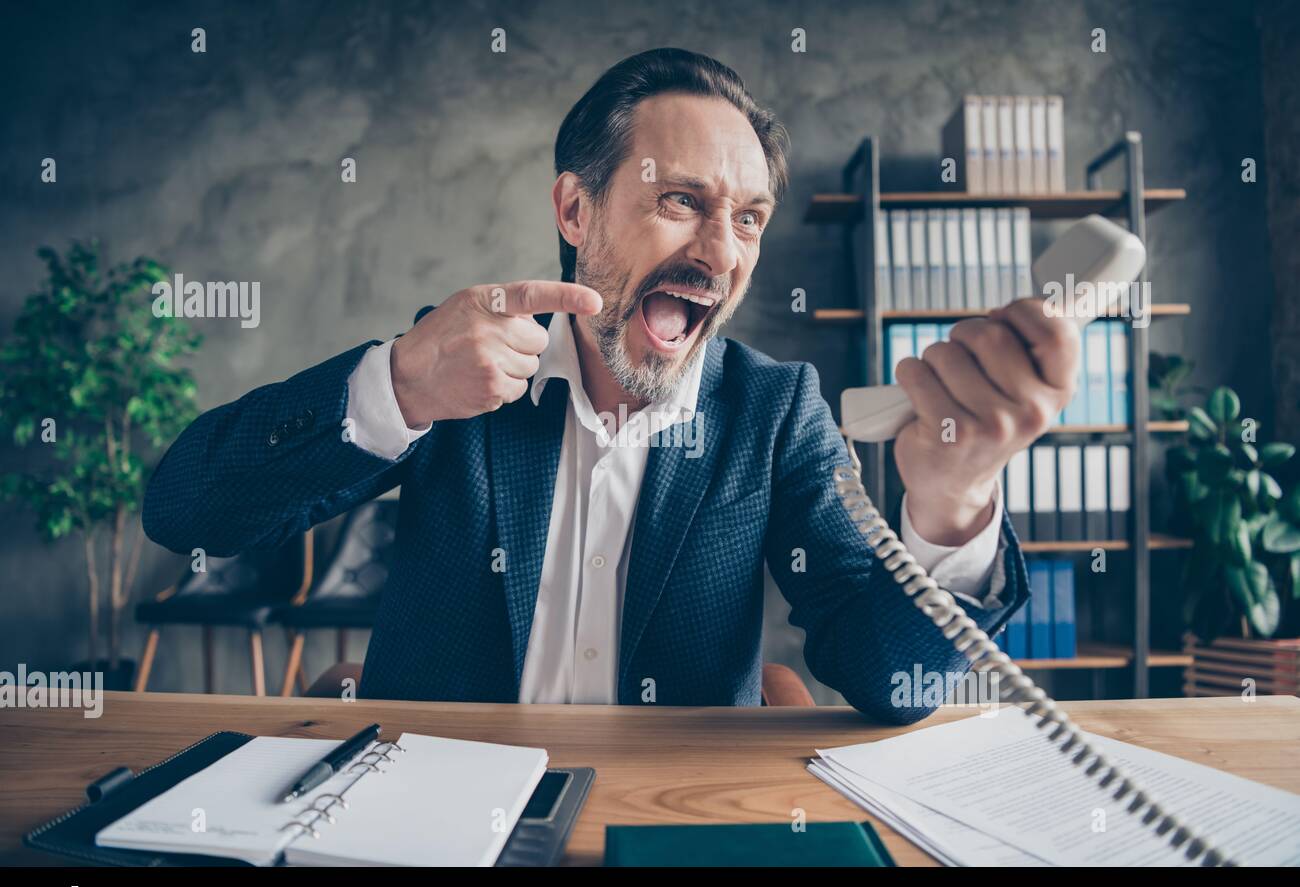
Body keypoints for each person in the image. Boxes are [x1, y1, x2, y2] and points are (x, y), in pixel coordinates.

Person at [144, 49, 1079, 722]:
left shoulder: (775, 413)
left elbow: (885, 680)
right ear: (575, 207)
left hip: (667, 832)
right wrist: (398, 385)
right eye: (681, 202)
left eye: (748, 219)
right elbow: (188, 511)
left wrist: (954, 506)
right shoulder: (458, 368)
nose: (721, 253)